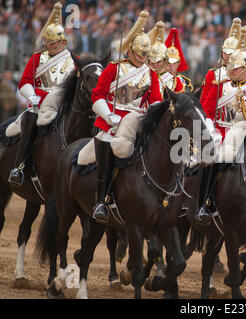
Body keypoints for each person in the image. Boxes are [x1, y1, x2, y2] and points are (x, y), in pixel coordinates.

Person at [91, 11, 162, 223]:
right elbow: (97, 95)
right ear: (130, 50)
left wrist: (153, 117)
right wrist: (108, 115)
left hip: (139, 120)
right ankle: (101, 201)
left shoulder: (151, 74)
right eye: (140, 54)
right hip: (113, 119)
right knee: (107, 144)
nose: (143, 58)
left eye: (145, 55)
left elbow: (156, 100)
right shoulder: (114, 68)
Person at [196, 26, 246, 225]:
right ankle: (205, 202)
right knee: (209, 157)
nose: (231, 71)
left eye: (235, 68)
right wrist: (210, 129)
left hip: (242, 134)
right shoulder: (219, 86)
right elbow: (206, 110)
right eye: (230, 67)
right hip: (219, 130)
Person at [8, 2, 76, 187]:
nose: (49, 46)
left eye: (53, 43)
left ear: (63, 42)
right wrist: (32, 97)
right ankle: (19, 166)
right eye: (47, 42)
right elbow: (24, 82)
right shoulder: (38, 57)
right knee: (30, 118)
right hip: (41, 104)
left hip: (64, 104)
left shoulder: (72, 60)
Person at [199, 17, 242, 106]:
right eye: (225, 52)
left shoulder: (244, 74)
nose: (226, 55)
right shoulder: (213, 74)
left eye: (230, 52)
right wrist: (199, 121)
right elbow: (203, 102)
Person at [164, 27, 194, 93]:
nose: (171, 66)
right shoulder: (157, 80)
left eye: (174, 63)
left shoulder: (186, 82)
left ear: (178, 63)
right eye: (168, 63)